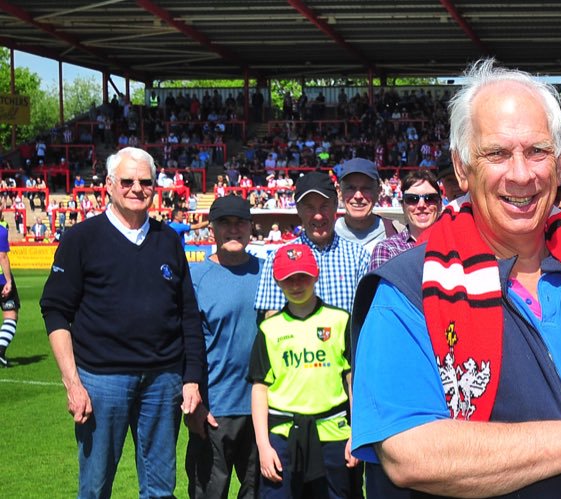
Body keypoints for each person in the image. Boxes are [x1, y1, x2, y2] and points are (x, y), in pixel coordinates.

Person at [348, 60, 561, 498]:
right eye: (497, 154)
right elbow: (410, 453)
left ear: (559, 164)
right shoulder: (405, 289)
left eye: (537, 151)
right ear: (462, 168)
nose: (521, 174)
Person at [40, 146, 206, 497]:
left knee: (161, 490)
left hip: (163, 380)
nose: (136, 189)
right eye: (127, 181)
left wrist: (191, 379)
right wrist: (73, 383)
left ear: (155, 187)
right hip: (102, 381)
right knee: (95, 488)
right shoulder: (81, 238)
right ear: (109, 184)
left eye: (145, 182)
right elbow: (55, 311)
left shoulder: (168, 240)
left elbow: (188, 314)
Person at [252, 244, 361, 498]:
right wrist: (263, 445)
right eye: (288, 279)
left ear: (316, 275)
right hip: (283, 436)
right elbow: (259, 389)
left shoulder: (340, 320)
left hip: (334, 433)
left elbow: (353, 382)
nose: (296, 284)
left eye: (303, 276)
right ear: (277, 281)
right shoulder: (269, 329)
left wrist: (357, 434)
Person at [186, 195, 264, 499]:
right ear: (212, 229)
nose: (233, 229)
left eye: (240, 222)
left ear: (250, 227)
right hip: (212, 410)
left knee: (258, 493)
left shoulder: (268, 273)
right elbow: (184, 346)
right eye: (225, 223)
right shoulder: (195, 279)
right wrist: (192, 404)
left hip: (260, 409)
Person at [257, 173, 370, 313]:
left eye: (324, 206)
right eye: (309, 207)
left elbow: (368, 316)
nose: (318, 215)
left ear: (336, 205)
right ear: (298, 209)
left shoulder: (359, 257)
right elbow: (271, 316)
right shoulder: (277, 258)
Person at [368, 170, 442, 271]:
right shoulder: (387, 249)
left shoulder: (454, 243)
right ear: (403, 206)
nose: (421, 205)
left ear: (440, 204)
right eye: (412, 199)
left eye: (430, 198)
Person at [333, 158, 397, 254]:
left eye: (366, 188)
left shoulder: (396, 232)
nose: (358, 196)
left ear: (378, 191)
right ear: (339, 191)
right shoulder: (325, 234)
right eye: (350, 188)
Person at [0, 219, 17, 367]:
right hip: (1, 280)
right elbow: (2, 256)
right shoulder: (1, 231)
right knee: (10, 315)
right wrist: (8, 280)